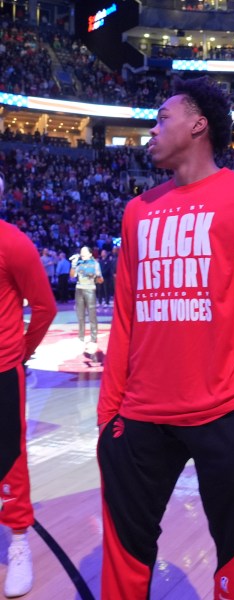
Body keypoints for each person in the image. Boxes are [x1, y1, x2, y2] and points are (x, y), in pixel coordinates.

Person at [96, 76, 234, 600]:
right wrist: (109, 411)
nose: (150, 131)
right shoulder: (138, 210)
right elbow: (125, 318)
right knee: (125, 557)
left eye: (162, 118)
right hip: (137, 418)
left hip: (222, 415)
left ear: (198, 124)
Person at [0, 172, 57, 598]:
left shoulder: (13, 242)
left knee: (8, 455)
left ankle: (19, 540)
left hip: (2, 368)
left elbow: (44, 306)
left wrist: (21, 351)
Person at [70, 246, 102, 353]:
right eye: (81, 252)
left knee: (92, 315)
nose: (82, 253)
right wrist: (73, 264)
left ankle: (93, 338)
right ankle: (81, 336)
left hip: (90, 290)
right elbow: (72, 276)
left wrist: (96, 277)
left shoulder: (95, 264)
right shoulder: (78, 263)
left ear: (90, 254)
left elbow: (100, 280)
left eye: (84, 252)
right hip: (79, 289)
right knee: (80, 315)